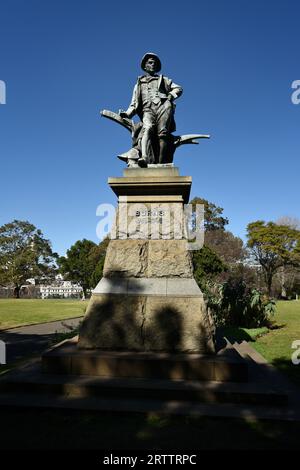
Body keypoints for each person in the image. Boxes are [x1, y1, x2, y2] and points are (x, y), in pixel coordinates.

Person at [120, 53, 183, 164]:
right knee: (147, 128)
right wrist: (127, 114)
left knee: (163, 133)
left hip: (163, 107)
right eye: (150, 62)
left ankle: (161, 162)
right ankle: (144, 157)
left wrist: (170, 96)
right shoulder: (138, 84)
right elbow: (134, 104)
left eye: (155, 63)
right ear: (145, 66)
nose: (153, 64)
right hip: (147, 110)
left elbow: (178, 88)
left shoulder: (163, 80)